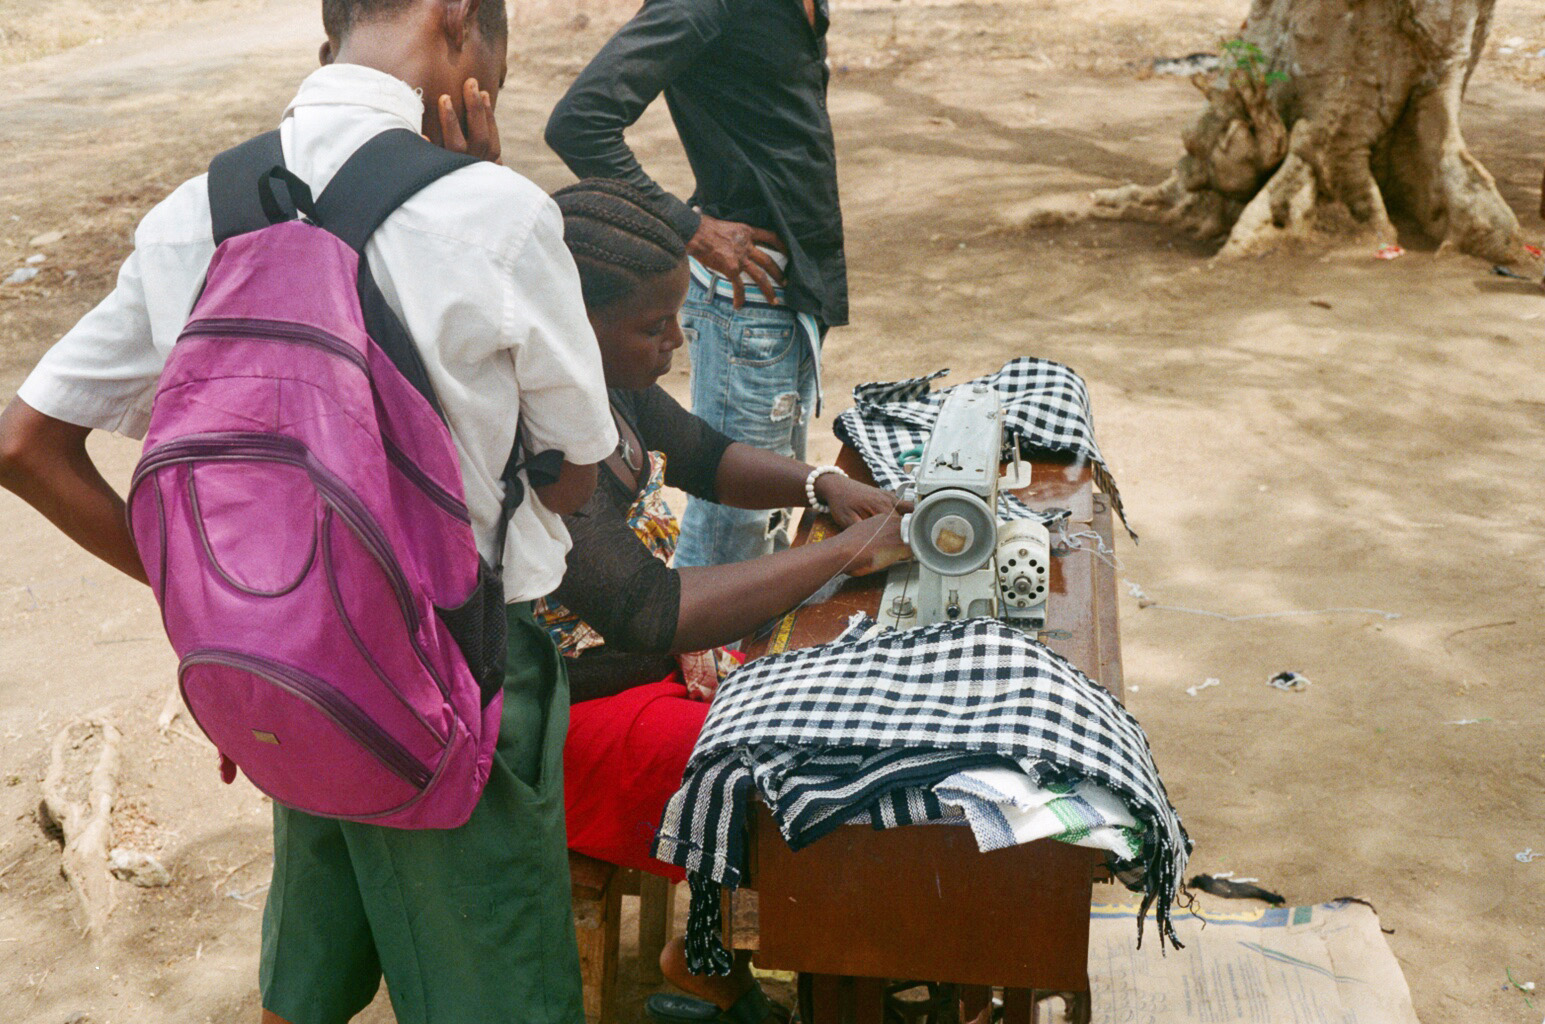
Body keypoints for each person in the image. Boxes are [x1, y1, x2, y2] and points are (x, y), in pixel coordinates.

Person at [0, 2, 619, 1022]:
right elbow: (576, 475)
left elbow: (24, 443)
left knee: (308, 975)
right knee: (498, 993)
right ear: (459, 18)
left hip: (293, 677)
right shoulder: (496, 216)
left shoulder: (195, 211)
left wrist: (234, 605)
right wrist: (491, 191)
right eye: (497, 58)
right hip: (459, 676)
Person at [538, 179, 908, 1024]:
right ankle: (713, 966)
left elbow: (702, 454)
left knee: (827, 709)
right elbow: (648, 609)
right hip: (565, 722)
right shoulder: (540, 437)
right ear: (575, 320)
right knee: (793, 773)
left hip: (635, 675)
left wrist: (822, 484)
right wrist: (840, 553)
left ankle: (761, 962)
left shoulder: (604, 383)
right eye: (653, 326)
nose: (676, 339)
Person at [544, 0, 849, 570]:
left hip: (793, 294)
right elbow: (580, 121)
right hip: (747, 299)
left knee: (766, 522)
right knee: (730, 541)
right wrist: (689, 228)